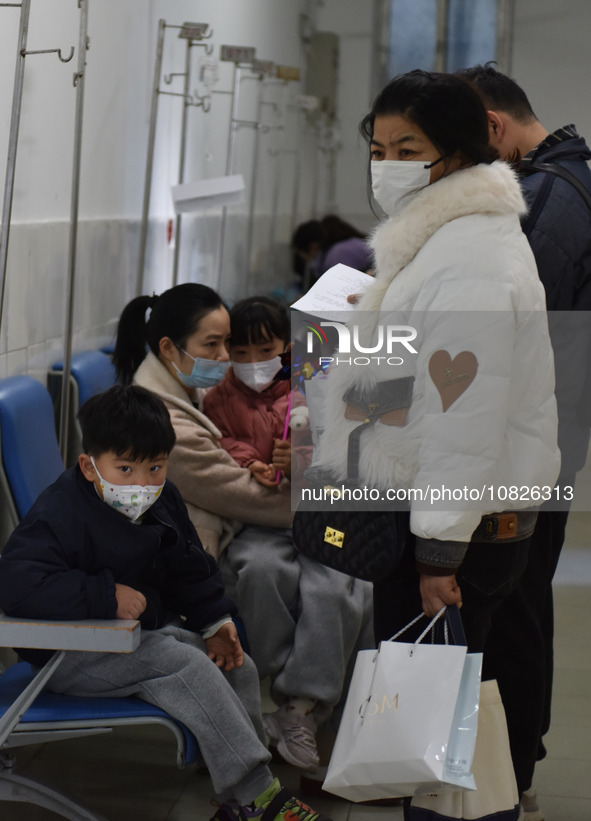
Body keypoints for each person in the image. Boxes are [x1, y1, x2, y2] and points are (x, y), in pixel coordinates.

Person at [310, 67, 560, 768]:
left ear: (453, 151)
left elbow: (463, 415)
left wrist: (439, 553)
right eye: (379, 148)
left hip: (457, 529)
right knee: (436, 715)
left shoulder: (470, 256)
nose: (387, 166)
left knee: (439, 719)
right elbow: (423, 385)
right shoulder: (444, 242)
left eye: (407, 148)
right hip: (439, 513)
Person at [0, 385, 331, 821]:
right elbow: (16, 584)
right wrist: (104, 595)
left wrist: (215, 622)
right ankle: (259, 797)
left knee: (236, 664)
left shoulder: (163, 497)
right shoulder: (59, 512)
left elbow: (187, 567)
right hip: (71, 652)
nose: (141, 483)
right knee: (188, 666)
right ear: (88, 466)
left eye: (155, 467)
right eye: (125, 469)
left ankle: (238, 801)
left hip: (133, 638)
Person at [113, 284, 373, 773]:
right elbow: (238, 493)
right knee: (267, 569)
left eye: (225, 343)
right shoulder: (161, 418)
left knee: (346, 583)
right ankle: (285, 706)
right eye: (217, 346)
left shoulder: (200, 388)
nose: (231, 359)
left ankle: (312, 721)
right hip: (205, 551)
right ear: (171, 349)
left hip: (256, 522)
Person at [458, 63, 591, 814]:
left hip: (523, 442)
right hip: (544, 433)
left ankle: (506, 770)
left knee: (506, 601)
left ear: (489, 127)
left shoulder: (545, 201)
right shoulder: (563, 181)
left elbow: (498, 329)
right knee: (519, 594)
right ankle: (514, 764)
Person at [292, 215, 373, 289]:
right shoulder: (342, 247)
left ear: (313, 247)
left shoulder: (337, 254)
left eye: (304, 255)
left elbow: (341, 288)